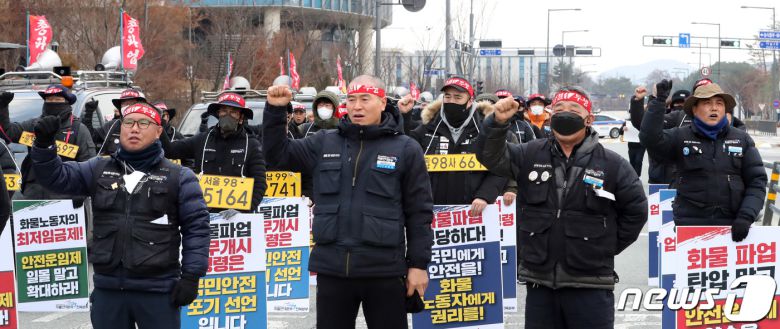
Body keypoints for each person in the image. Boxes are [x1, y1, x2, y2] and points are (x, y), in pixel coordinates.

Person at [263, 75, 433, 329]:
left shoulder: (406, 149)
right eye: (351, 100)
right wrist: (275, 111)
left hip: (384, 271)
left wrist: (419, 265)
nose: (357, 106)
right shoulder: (324, 142)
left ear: (382, 102)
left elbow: (419, 212)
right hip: (333, 270)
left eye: (365, 99)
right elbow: (277, 155)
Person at [476, 86, 648, 329]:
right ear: (550, 115)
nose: (565, 114)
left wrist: (604, 244)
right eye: (559, 109)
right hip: (540, 284)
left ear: (588, 119)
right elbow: (489, 157)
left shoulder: (612, 164)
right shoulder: (529, 154)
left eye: (573, 109)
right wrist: (496, 123)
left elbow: (636, 210)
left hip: (591, 284)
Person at [29, 102, 210, 329]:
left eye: (144, 123)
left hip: (158, 290)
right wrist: (44, 146)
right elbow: (56, 178)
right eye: (128, 122)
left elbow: (197, 229)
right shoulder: (98, 168)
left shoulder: (179, 176)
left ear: (158, 131)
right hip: (108, 290)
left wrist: (191, 277)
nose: (134, 129)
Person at [640, 80, 766, 241]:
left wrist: (746, 217)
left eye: (719, 103)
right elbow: (649, 139)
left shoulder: (741, 139)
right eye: (707, 103)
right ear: (694, 109)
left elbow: (757, 181)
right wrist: (658, 102)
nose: (714, 108)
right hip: (689, 229)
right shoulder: (680, 136)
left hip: (733, 228)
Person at [409, 77, 510, 214]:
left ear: (470, 102)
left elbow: (501, 167)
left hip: (472, 214)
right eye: (447, 96)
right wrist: (404, 117)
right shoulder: (428, 127)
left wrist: (485, 195)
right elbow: (405, 155)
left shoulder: (484, 129)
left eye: (458, 97)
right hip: (432, 211)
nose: (451, 101)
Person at [161, 92, 267, 214]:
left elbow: (260, 184)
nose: (228, 115)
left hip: (235, 220)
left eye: (233, 112)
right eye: (224, 111)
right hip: (203, 215)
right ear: (218, 114)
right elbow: (170, 150)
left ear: (241, 117)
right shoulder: (202, 139)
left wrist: (242, 211)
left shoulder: (252, 145)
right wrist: (160, 124)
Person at [0, 86, 96, 200]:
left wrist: (81, 195)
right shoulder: (34, 125)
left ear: (67, 102)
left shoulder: (78, 129)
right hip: (34, 192)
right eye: (49, 100)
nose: (53, 103)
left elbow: (89, 164)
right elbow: (8, 133)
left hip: (66, 194)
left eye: (57, 100)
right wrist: (2, 108)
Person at [85, 89, 147, 156]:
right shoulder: (112, 126)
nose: (128, 106)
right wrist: (88, 114)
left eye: (132, 103)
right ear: (120, 107)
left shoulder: (147, 126)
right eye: (125, 103)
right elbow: (90, 137)